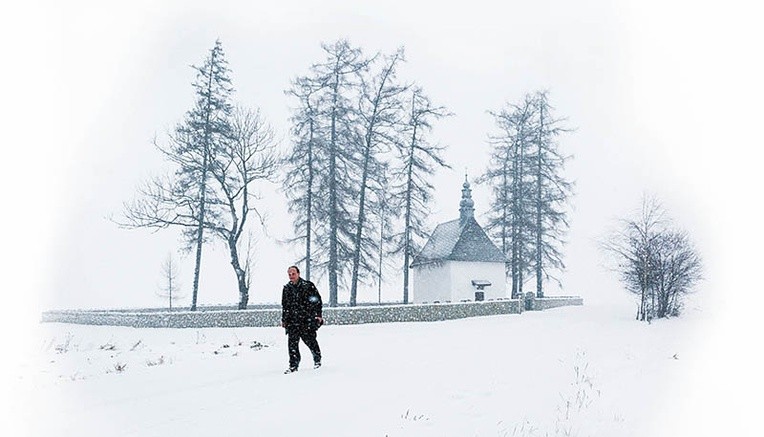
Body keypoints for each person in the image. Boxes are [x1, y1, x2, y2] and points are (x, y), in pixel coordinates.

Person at [281, 265, 324, 373]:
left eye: (293, 274)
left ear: (298, 274)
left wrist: (318, 315)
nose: (291, 276)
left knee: (310, 341)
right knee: (292, 345)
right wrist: (284, 320)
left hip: (306, 320)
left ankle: (317, 359)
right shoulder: (286, 289)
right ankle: (293, 365)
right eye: (289, 274)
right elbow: (285, 306)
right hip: (292, 322)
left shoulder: (308, 286)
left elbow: (317, 301)